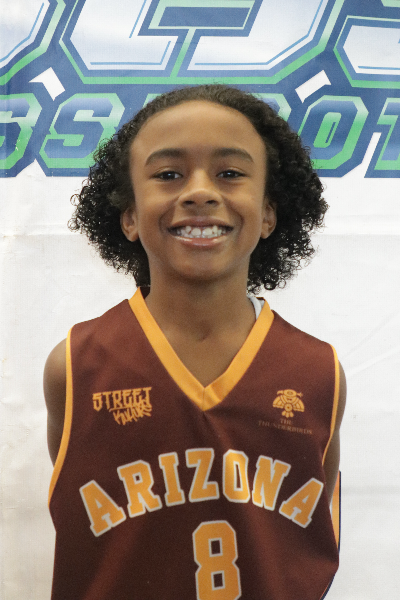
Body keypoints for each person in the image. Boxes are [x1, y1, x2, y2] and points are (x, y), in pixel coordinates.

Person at [44, 84, 346, 600]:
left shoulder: (319, 373)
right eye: (168, 175)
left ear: (269, 213)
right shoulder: (75, 365)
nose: (200, 192)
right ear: (129, 215)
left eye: (230, 173)